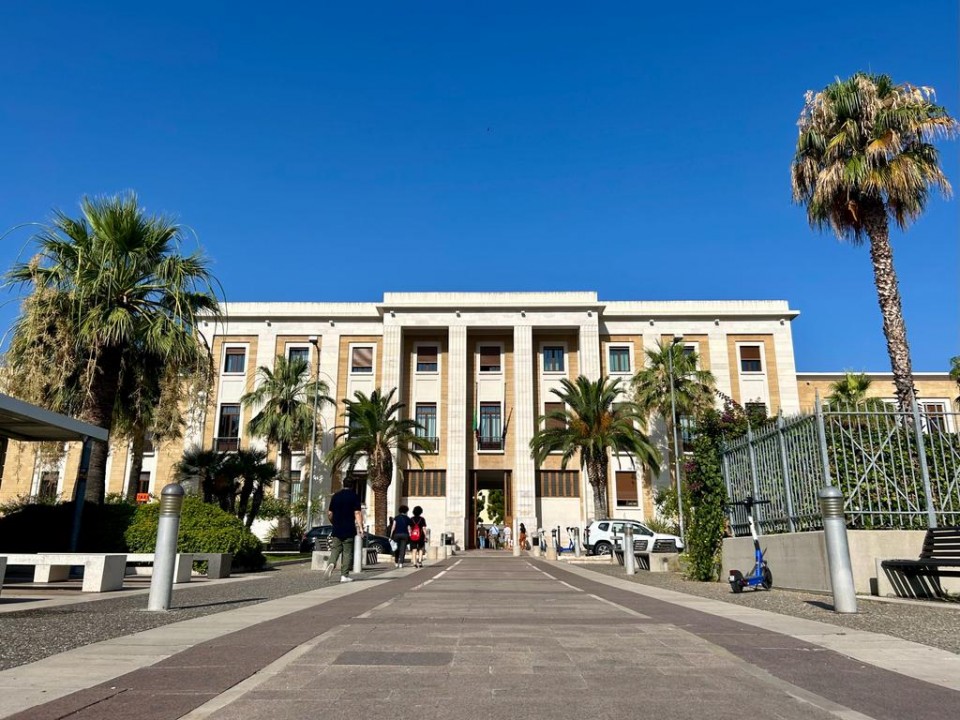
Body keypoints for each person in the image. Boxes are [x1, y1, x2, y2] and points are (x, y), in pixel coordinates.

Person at [324, 478, 364, 583]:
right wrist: (361, 528)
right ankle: (344, 576)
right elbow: (357, 513)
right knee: (347, 552)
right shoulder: (354, 496)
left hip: (337, 528)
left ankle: (331, 563)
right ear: (352, 485)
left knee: (335, 549)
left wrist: (333, 522)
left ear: (343, 484)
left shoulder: (336, 496)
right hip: (349, 528)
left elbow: (330, 513)